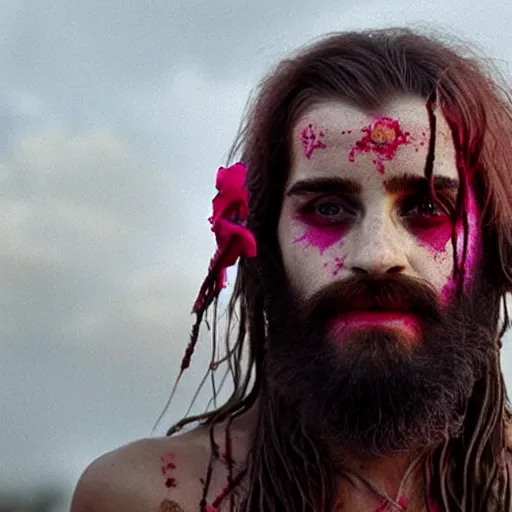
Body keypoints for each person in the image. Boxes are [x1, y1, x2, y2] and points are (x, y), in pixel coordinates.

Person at [71, 27, 512, 512]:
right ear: (265, 241)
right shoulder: (143, 497)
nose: (377, 255)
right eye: (327, 209)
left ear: (495, 240)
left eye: (427, 206)